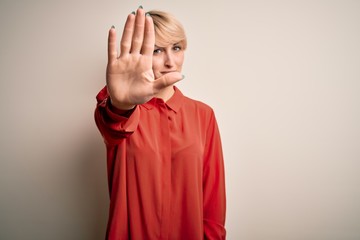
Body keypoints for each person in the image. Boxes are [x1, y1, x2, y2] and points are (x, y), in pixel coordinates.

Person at [94, 6, 226, 240]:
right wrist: (121, 104)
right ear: (141, 54)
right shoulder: (122, 109)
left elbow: (213, 202)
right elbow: (112, 124)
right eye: (157, 50)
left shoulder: (204, 115)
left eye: (176, 48)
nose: (169, 61)